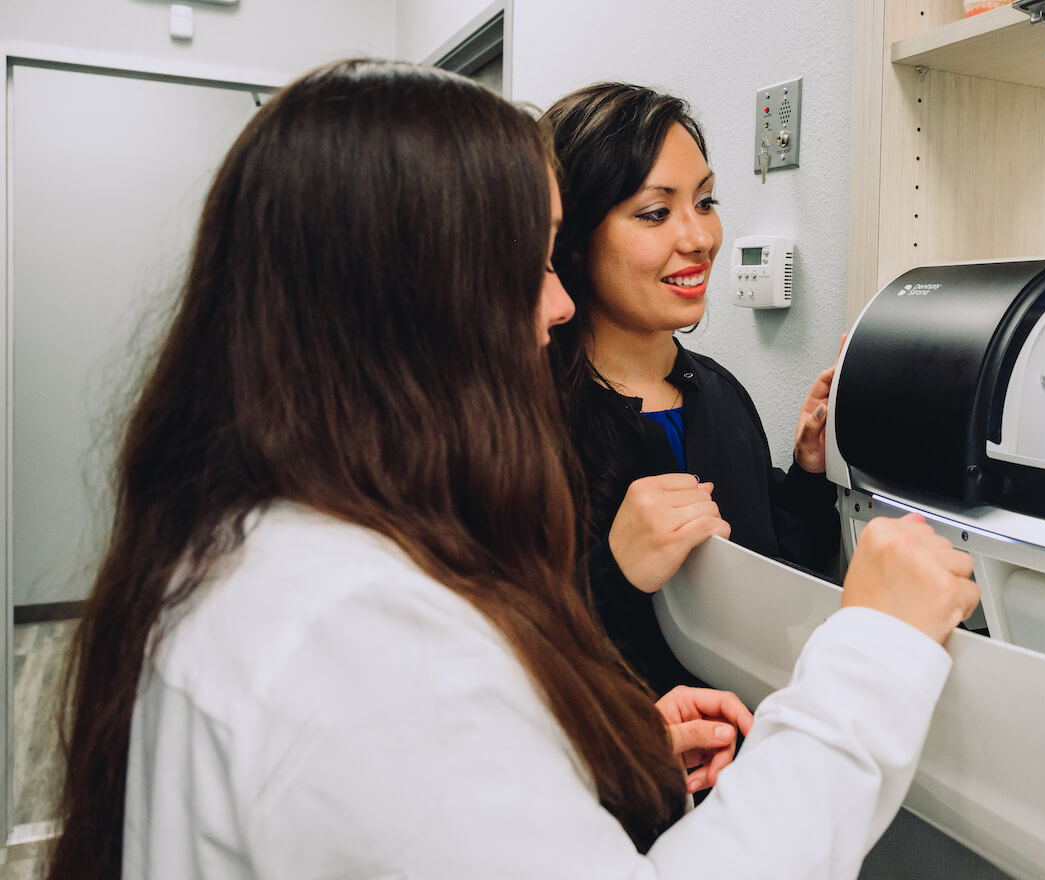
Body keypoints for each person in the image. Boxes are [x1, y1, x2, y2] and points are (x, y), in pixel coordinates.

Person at [48, 59, 978, 880]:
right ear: (412, 301)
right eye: (532, 264)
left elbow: (437, 796)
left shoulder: (262, 548)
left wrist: (575, 748)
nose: (558, 305)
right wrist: (875, 654)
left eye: (704, 201)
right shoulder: (362, 633)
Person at [543, 83, 843, 696]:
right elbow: (500, 651)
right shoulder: (529, 418)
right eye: (656, 213)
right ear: (573, 237)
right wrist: (613, 571)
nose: (700, 238)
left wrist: (810, 474)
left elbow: (780, 573)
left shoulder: (720, 395)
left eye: (705, 202)